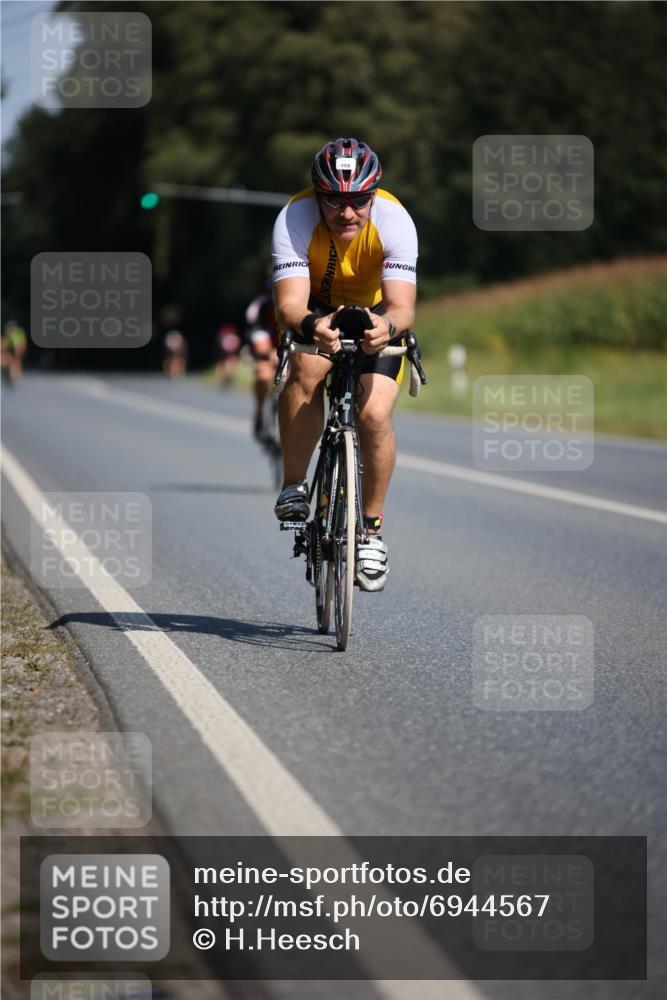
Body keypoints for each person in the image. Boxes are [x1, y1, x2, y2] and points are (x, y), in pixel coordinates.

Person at [271, 137, 418, 592]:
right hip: (315, 309)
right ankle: (295, 484)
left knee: (374, 415)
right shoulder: (294, 217)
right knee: (308, 372)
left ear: (374, 196)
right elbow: (289, 305)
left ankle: (370, 532)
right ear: (318, 196)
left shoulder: (395, 220)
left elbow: (402, 307)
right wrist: (314, 325)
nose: (347, 212)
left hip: (377, 313)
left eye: (358, 201)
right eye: (334, 200)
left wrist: (386, 328)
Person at [245, 280, 278, 440]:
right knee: (264, 375)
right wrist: (269, 352)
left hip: (285, 343)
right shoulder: (259, 307)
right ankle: (259, 412)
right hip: (264, 343)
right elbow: (258, 337)